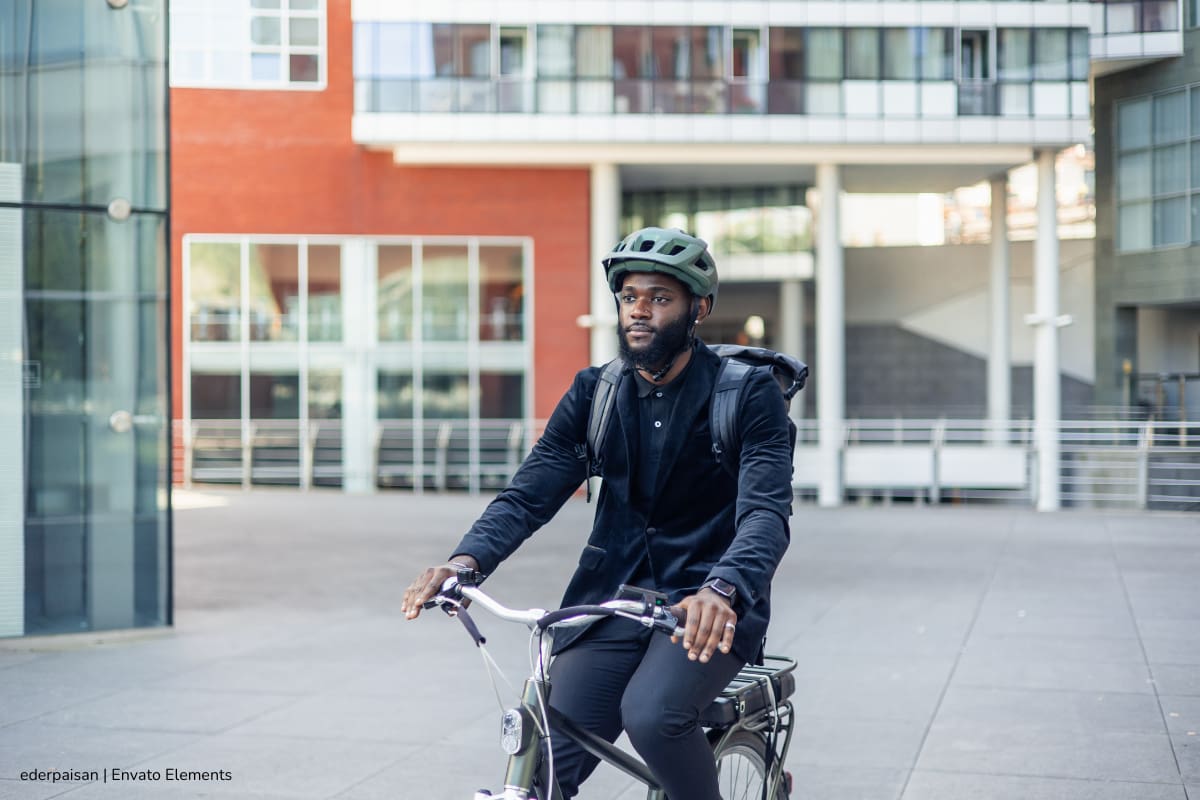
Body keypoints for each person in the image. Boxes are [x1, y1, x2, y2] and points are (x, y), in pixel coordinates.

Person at [401, 227, 793, 800]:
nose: (639, 310)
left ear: (698, 308)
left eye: (660, 299)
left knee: (652, 715)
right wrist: (465, 563)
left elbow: (764, 514)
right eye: (630, 296)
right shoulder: (596, 393)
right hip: (612, 601)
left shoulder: (746, 394)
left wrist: (725, 588)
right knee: (543, 761)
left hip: (704, 607)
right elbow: (528, 495)